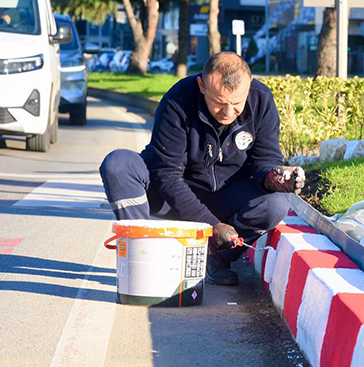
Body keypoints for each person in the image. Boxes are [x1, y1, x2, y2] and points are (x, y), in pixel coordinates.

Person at [99, 52, 304, 286]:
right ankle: (143, 255)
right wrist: (211, 225)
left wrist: (273, 178)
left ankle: (214, 257)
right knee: (118, 165)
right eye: (219, 102)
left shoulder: (261, 100)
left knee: (277, 203)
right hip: (170, 197)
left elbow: (265, 160)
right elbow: (167, 174)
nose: (227, 113)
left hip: (224, 200)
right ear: (202, 85)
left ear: (248, 87)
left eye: (237, 104)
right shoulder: (178, 100)